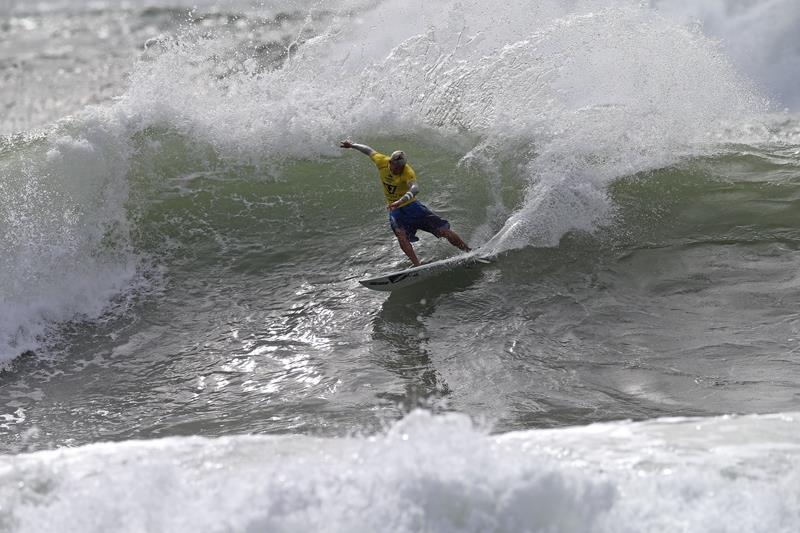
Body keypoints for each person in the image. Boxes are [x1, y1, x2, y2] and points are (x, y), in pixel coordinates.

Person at [340, 140, 470, 266]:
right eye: (396, 168)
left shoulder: (407, 172)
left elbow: (415, 188)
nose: (399, 170)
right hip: (396, 211)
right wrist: (352, 145)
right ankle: (417, 266)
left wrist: (400, 201)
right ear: (390, 162)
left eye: (401, 168)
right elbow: (368, 150)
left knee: (443, 231)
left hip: (413, 207)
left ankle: (469, 252)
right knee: (401, 237)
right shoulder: (382, 161)